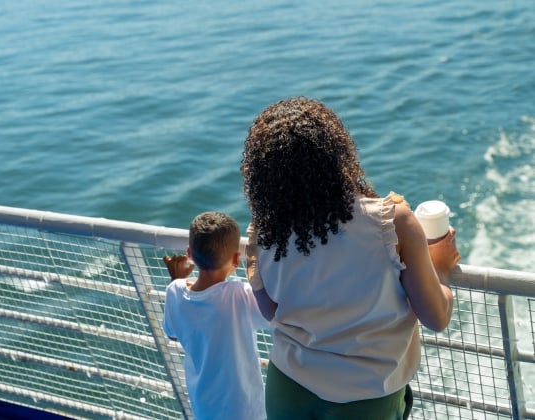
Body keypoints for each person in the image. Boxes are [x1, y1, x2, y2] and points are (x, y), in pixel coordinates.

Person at [241, 97, 461, 419]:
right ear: (338, 154)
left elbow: (270, 310)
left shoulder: (264, 231)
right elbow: (436, 318)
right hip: (368, 397)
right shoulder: (393, 222)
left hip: (288, 387)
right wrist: (439, 266)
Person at [162, 211, 270, 420]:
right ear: (237, 258)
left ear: (190, 253)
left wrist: (176, 280)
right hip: (245, 410)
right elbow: (272, 313)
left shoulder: (174, 291)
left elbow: (173, 334)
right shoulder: (239, 294)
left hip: (204, 408)